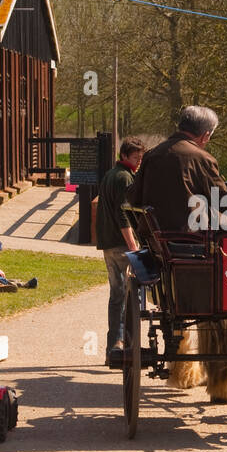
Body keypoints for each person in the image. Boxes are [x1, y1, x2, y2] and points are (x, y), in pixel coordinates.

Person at [127, 106, 227, 402]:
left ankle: (182, 369)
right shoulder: (202, 158)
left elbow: (134, 200)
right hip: (199, 249)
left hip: (164, 251)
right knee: (221, 304)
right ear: (205, 135)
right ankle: (222, 383)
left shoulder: (152, 156)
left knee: (175, 306)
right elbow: (226, 204)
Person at [96, 138, 146, 357]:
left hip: (108, 244)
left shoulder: (109, 175)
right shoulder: (125, 177)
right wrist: (133, 246)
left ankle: (113, 344)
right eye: (135, 157)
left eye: (140, 158)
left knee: (116, 295)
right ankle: (124, 344)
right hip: (122, 243)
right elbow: (122, 213)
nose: (138, 162)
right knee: (129, 296)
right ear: (124, 156)